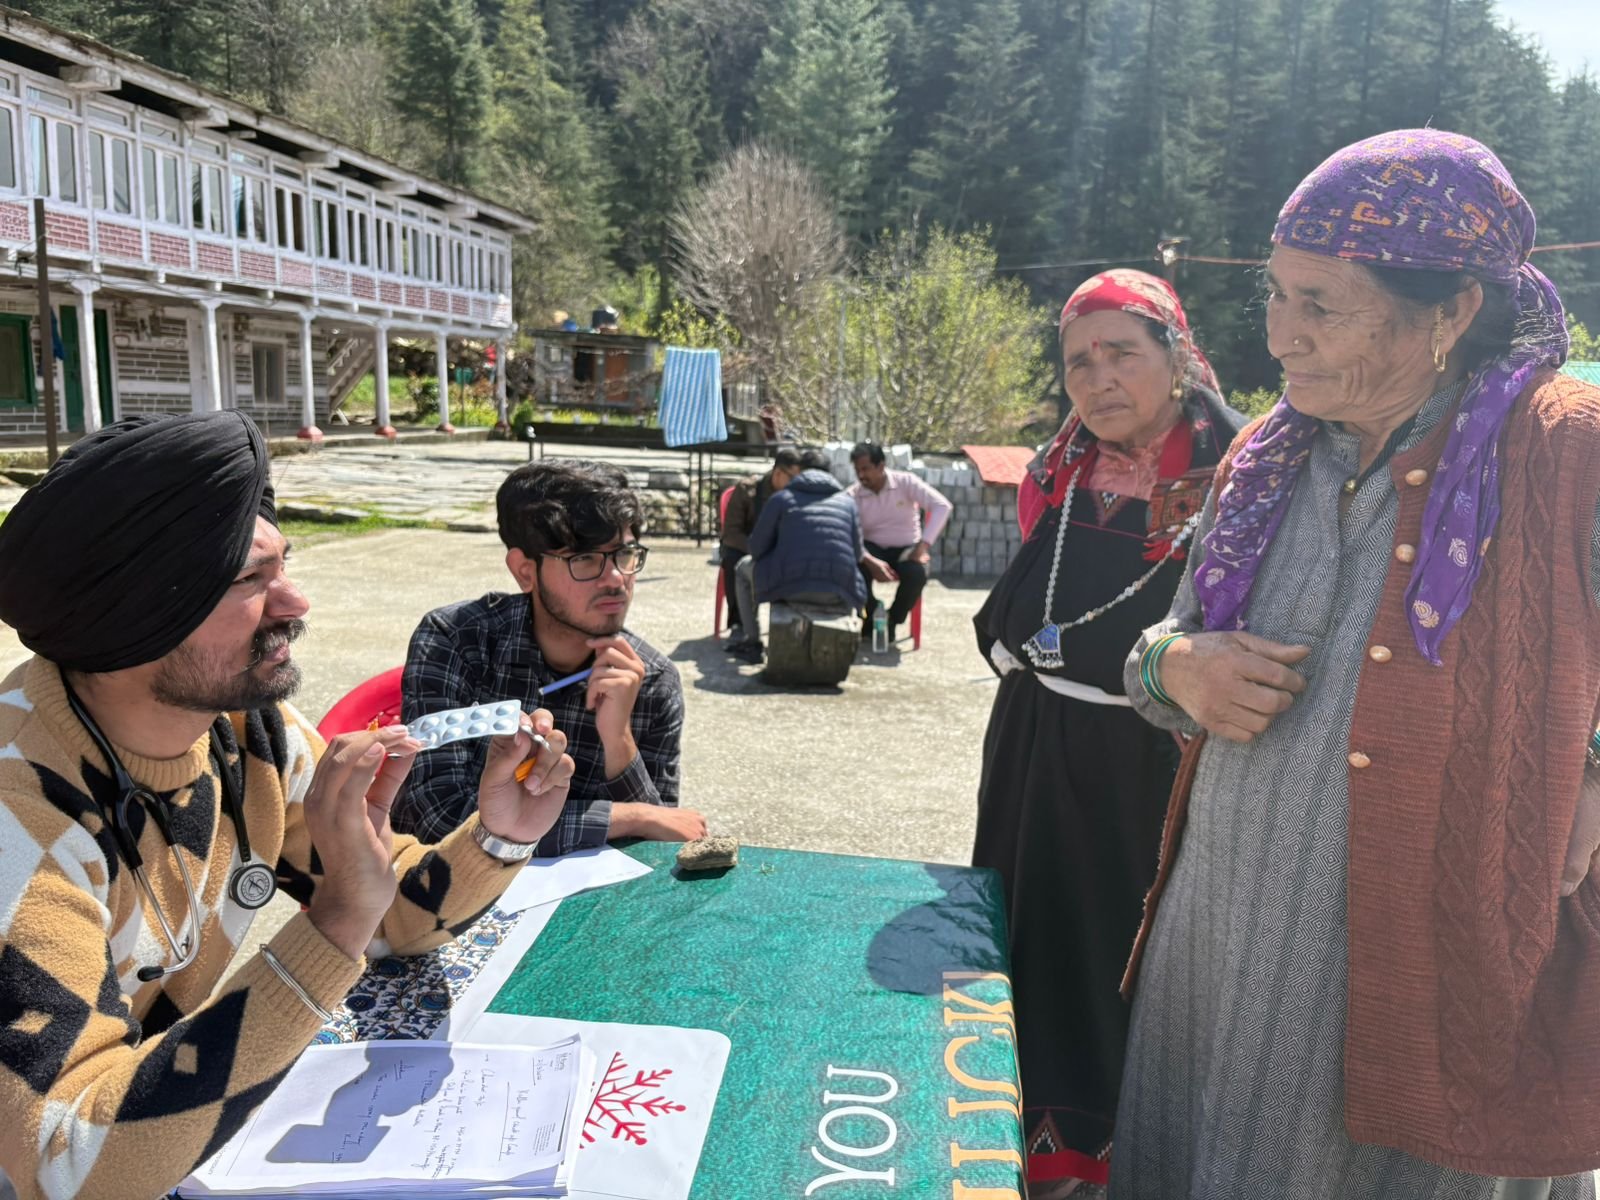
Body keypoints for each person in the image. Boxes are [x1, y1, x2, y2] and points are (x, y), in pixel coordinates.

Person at [1116, 130, 1600, 1199]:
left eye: (1320, 305)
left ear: (1450, 311)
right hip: (1225, 935)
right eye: (1274, 295)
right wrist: (1177, 669)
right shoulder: (1265, 460)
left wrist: (1594, 768)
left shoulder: (1566, 447)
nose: (1279, 336)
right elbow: (1158, 647)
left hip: (1438, 966)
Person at [0, 412, 575, 1200]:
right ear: (135, 614)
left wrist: (499, 837)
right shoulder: (17, 815)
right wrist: (333, 922)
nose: (294, 602)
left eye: (285, 566)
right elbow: (68, 1164)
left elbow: (391, 916)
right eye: (250, 580)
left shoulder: (245, 735)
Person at [969, 270, 1241, 1194]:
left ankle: (1126, 1159)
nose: (1098, 377)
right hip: (1030, 752)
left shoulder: (1241, 477)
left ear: (1178, 356)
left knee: (1125, 961)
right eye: (1079, 360)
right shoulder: (1057, 471)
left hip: (1146, 768)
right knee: (1024, 938)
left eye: (1122, 352)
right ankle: (1017, 1143)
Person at [391, 460, 706, 851]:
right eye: (585, 559)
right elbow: (438, 818)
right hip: (450, 885)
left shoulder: (651, 679)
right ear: (525, 571)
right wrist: (623, 817)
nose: (616, 579)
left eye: (624, 554)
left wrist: (619, 740)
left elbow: (664, 838)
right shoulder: (458, 640)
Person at [730, 450, 887, 663]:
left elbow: (757, 549)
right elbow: (858, 553)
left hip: (791, 589)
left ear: (800, 471)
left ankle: (752, 641)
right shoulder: (848, 502)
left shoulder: (781, 499)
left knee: (742, 568)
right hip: (838, 592)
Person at [848, 443, 953, 642]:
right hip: (871, 550)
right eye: (857, 470)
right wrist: (870, 561)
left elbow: (942, 506)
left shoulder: (906, 482)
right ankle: (872, 613)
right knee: (851, 570)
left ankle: (892, 620)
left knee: (916, 574)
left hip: (907, 549)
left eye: (865, 469)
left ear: (881, 466)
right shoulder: (853, 495)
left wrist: (923, 545)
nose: (861, 475)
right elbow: (847, 533)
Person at [719, 448, 803, 642]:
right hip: (747, 549)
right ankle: (739, 624)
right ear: (778, 473)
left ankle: (786, 626)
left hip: (779, 554)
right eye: (793, 478)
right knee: (732, 560)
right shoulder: (747, 490)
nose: (796, 483)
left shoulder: (795, 496)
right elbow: (731, 533)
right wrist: (756, 550)